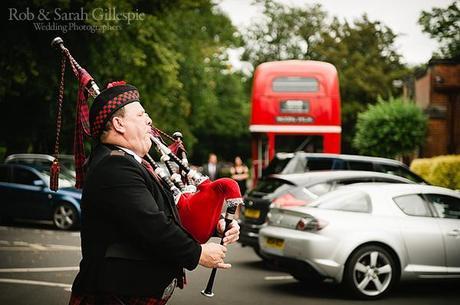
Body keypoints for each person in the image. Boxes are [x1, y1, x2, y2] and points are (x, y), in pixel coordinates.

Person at [68, 82, 239, 305]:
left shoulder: (129, 163)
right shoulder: (114, 167)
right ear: (119, 124)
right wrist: (197, 253)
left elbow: (168, 212)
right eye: (141, 114)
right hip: (115, 296)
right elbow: (152, 224)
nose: (149, 120)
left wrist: (215, 225)